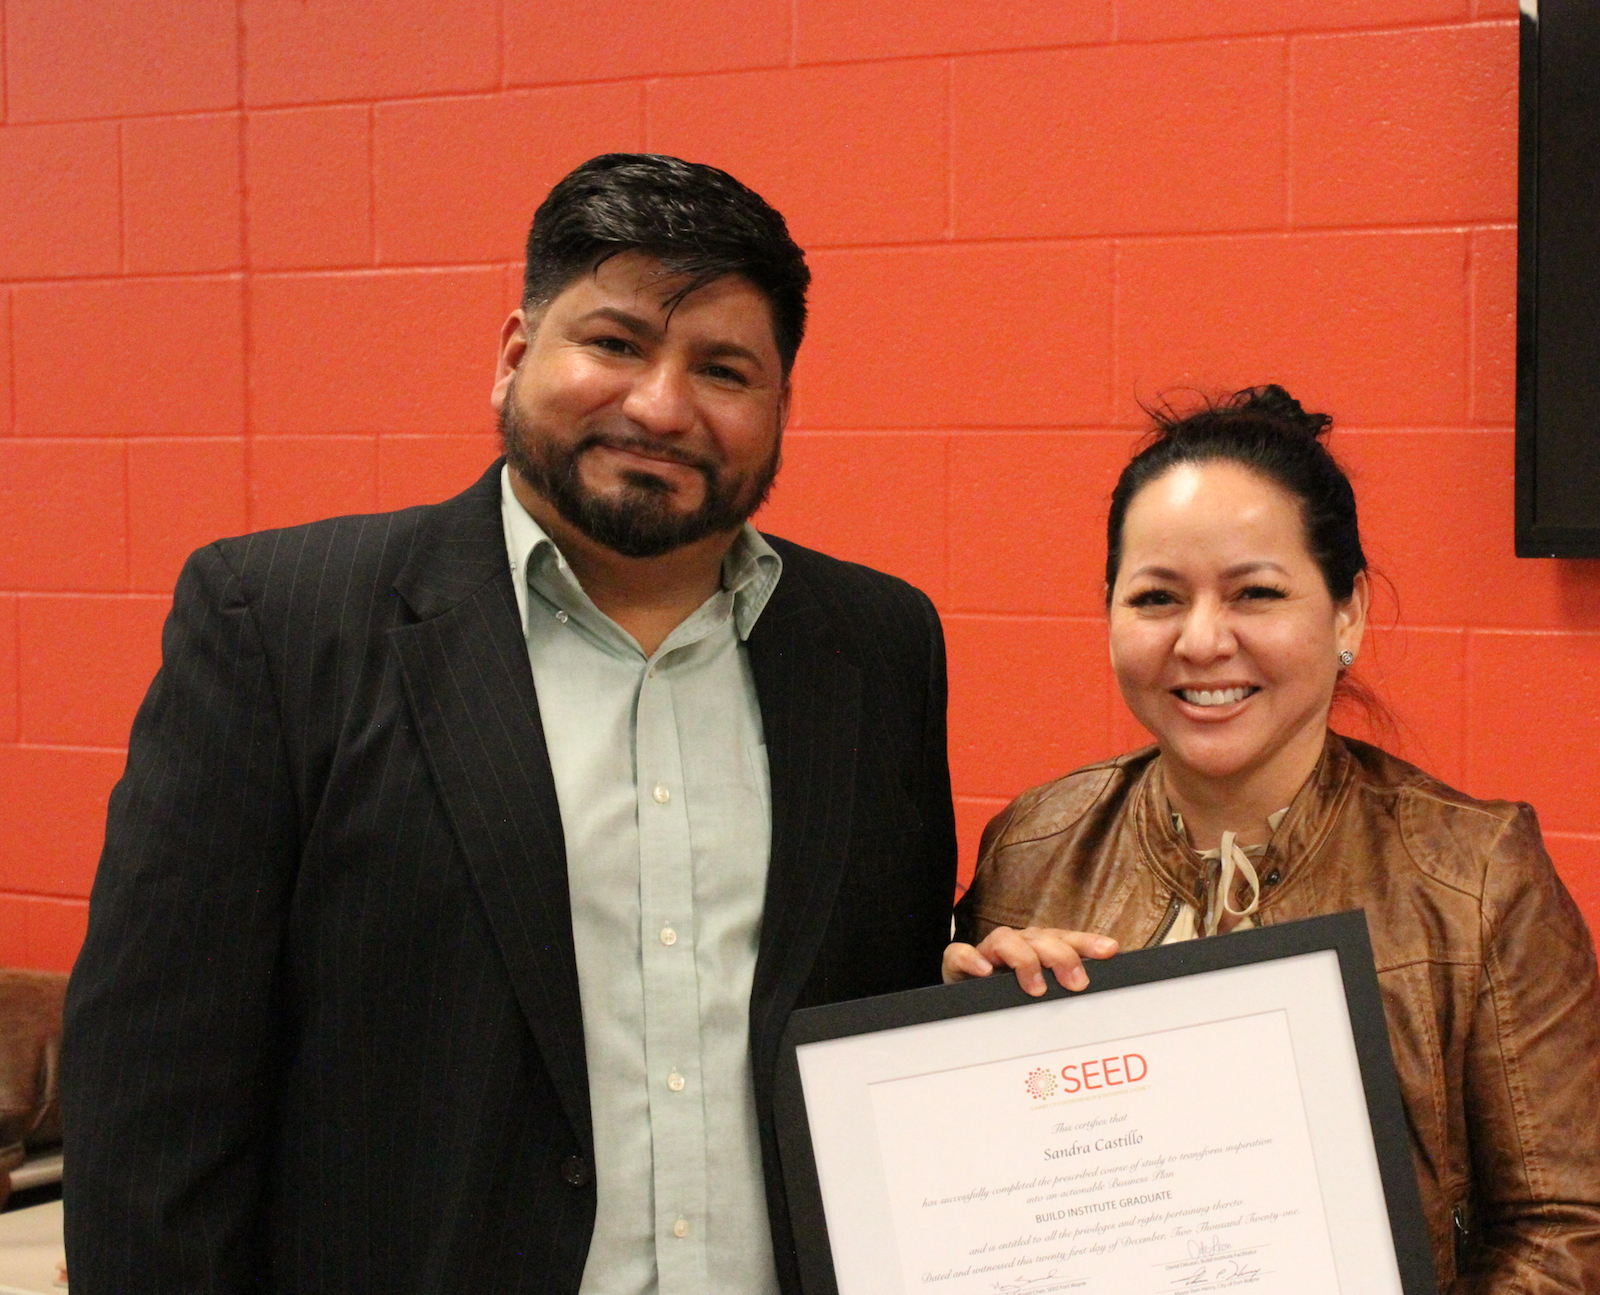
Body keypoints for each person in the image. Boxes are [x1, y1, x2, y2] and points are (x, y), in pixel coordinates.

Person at [62, 154, 956, 1295]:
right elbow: (152, 1095)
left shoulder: (876, 645)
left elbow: (880, 1012)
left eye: (724, 368)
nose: (660, 405)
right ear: (515, 354)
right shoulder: (281, 625)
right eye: (615, 343)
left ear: (781, 402)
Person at [946, 386, 1600, 1294]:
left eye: (1256, 592)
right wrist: (964, 1060)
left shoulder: (1475, 872)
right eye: (1156, 597)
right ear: (1109, 614)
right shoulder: (1034, 844)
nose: (1204, 639)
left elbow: (1569, 1226)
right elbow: (980, 1198)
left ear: (1347, 614)